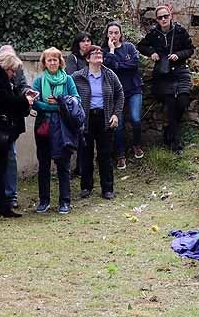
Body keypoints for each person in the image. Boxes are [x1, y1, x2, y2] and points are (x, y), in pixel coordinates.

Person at [0, 50, 35, 218]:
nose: (13, 75)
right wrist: (25, 101)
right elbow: (4, 101)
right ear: (5, 67)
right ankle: (1, 206)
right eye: (11, 71)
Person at [137, 4, 195, 153]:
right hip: (163, 75)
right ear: (157, 19)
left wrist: (179, 55)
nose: (163, 19)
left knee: (182, 102)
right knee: (170, 105)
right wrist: (152, 53)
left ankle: (169, 131)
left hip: (180, 71)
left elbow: (190, 49)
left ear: (171, 16)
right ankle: (175, 144)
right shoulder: (154, 33)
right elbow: (141, 46)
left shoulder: (180, 31)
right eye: (160, 17)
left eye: (165, 16)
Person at [71, 46, 123, 200]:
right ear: (87, 58)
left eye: (100, 53)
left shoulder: (109, 74)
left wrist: (115, 114)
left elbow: (120, 95)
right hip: (86, 119)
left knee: (105, 155)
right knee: (85, 154)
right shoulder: (77, 76)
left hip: (105, 118)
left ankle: (107, 188)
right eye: (95, 53)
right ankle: (86, 186)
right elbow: (70, 96)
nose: (99, 55)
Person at [32, 48, 79, 214]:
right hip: (43, 128)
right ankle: (44, 201)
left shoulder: (68, 81)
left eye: (55, 60)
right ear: (44, 63)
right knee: (44, 165)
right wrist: (53, 107)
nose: (52, 63)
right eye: (49, 60)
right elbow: (35, 103)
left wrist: (59, 104)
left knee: (63, 165)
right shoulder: (39, 81)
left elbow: (75, 101)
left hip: (63, 128)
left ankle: (65, 201)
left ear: (60, 62)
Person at [103, 21, 144, 168]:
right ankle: (120, 155)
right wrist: (112, 51)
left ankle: (137, 145)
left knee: (136, 119)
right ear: (107, 35)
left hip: (133, 89)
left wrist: (118, 65)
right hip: (115, 93)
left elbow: (134, 65)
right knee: (117, 125)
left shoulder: (129, 47)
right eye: (111, 33)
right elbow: (108, 68)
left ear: (121, 34)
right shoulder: (104, 51)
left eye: (116, 32)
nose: (113, 35)